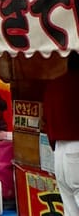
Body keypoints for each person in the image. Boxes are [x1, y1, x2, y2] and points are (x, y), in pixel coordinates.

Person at [44, 53, 79, 216]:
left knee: (70, 206)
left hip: (59, 150)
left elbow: (46, 120)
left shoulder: (54, 85)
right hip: (76, 147)